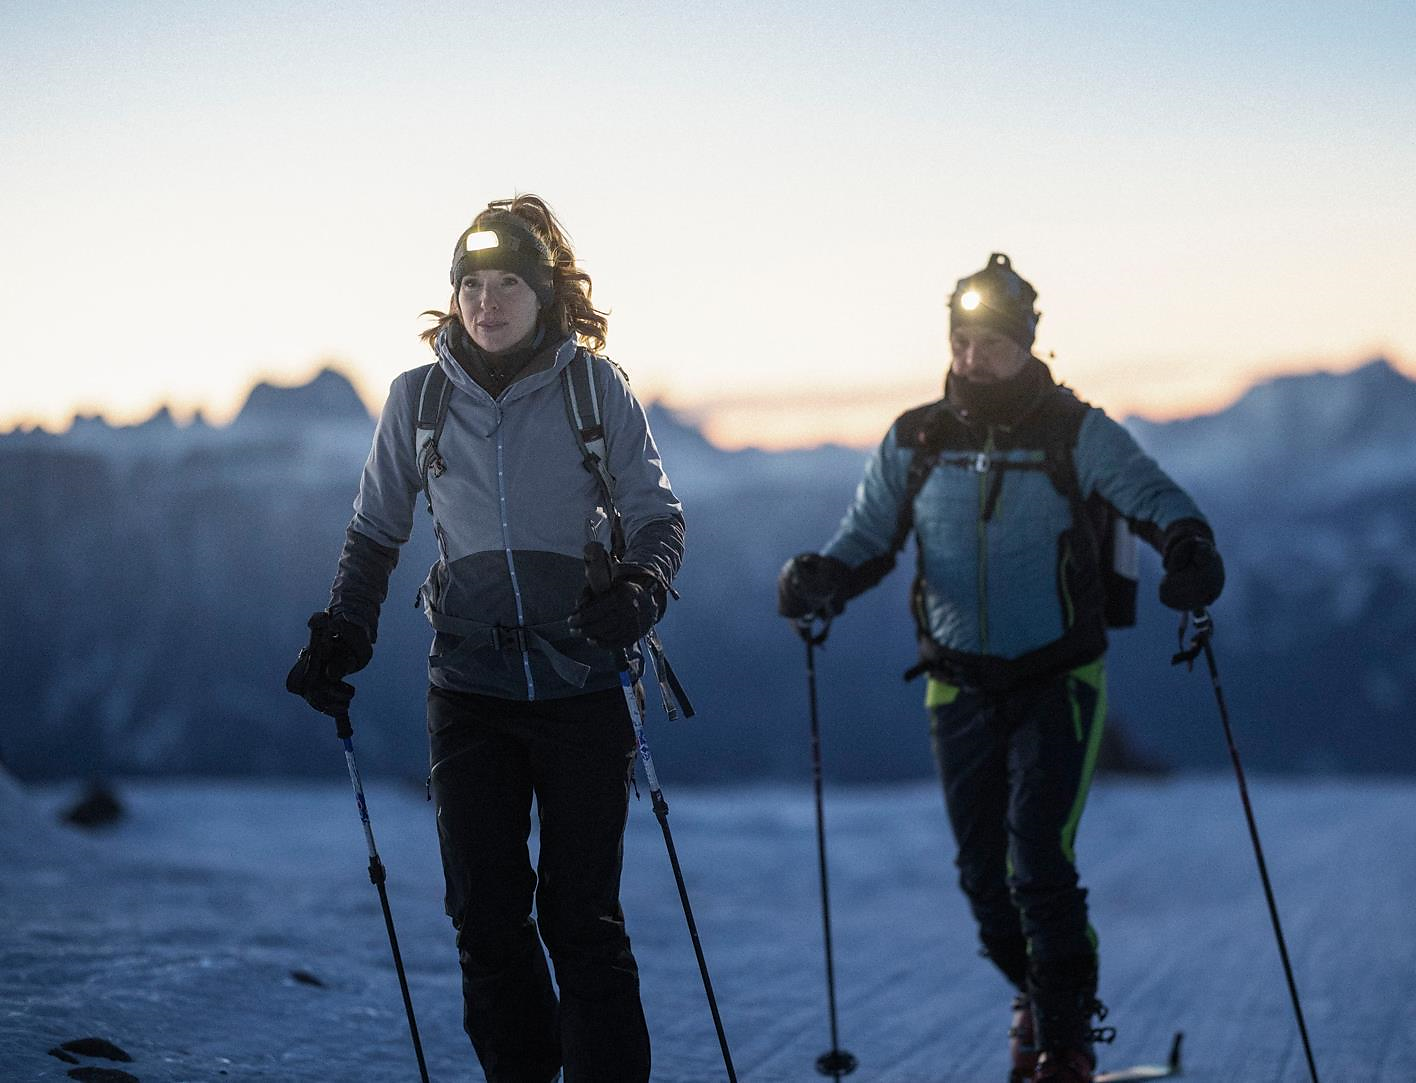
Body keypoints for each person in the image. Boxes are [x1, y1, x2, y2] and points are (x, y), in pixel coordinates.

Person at [777, 253, 1224, 1083]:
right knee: (985, 881)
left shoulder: (1074, 429)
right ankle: (1039, 996)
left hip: (1060, 678)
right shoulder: (918, 436)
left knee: (1038, 857)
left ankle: (1064, 1045)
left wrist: (1189, 546)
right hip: (957, 682)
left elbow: (1155, 497)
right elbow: (869, 533)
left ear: (1026, 343)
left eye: (993, 341)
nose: (975, 355)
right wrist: (823, 577)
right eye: (963, 339)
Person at [287, 194, 684, 1083]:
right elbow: (375, 530)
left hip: (581, 688)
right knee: (486, 916)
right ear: (453, 295)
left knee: (581, 919)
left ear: (547, 294)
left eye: (508, 283)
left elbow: (658, 515)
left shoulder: (594, 388)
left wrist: (642, 587)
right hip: (468, 692)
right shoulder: (417, 400)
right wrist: (345, 628)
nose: (487, 300)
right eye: (472, 284)